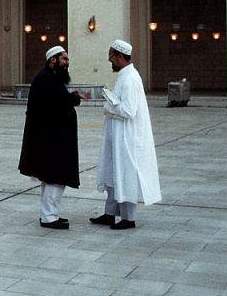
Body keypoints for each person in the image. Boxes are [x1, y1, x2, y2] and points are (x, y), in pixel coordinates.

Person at [18, 45, 90, 230]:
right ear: (53, 60)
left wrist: (73, 97)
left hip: (53, 138)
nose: (67, 63)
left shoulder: (51, 78)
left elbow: (59, 99)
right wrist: (73, 98)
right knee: (55, 178)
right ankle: (49, 217)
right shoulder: (45, 78)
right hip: (51, 140)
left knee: (51, 179)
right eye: (64, 59)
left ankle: (50, 215)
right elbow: (57, 103)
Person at [92, 39, 161, 229]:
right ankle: (110, 213)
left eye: (111, 57)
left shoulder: (130, 78)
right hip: (117, 135)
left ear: (121, 56)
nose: (110, 61)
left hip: (127, 138)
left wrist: (109, 103)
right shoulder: (123, 74)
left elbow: (129, 110)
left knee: (126, 175)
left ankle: (129, 218)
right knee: (113, 173)